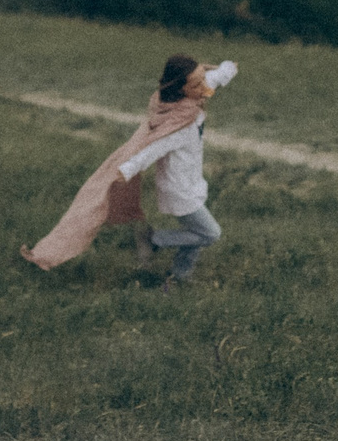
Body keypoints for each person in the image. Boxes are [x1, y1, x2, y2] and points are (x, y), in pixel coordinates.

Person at [20, 53, 236, 281]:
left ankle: (179, 277)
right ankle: (153, 240)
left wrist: (228, 68)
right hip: (179, 190)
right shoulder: (178, 122)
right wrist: (125, 170)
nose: (204, 86)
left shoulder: (193, 96)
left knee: (196, 235)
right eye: (197, 83)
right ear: (182, 89)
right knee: (210, 234)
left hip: (193, 183)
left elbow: (215, 78)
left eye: (203, 79)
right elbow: (152, 150)